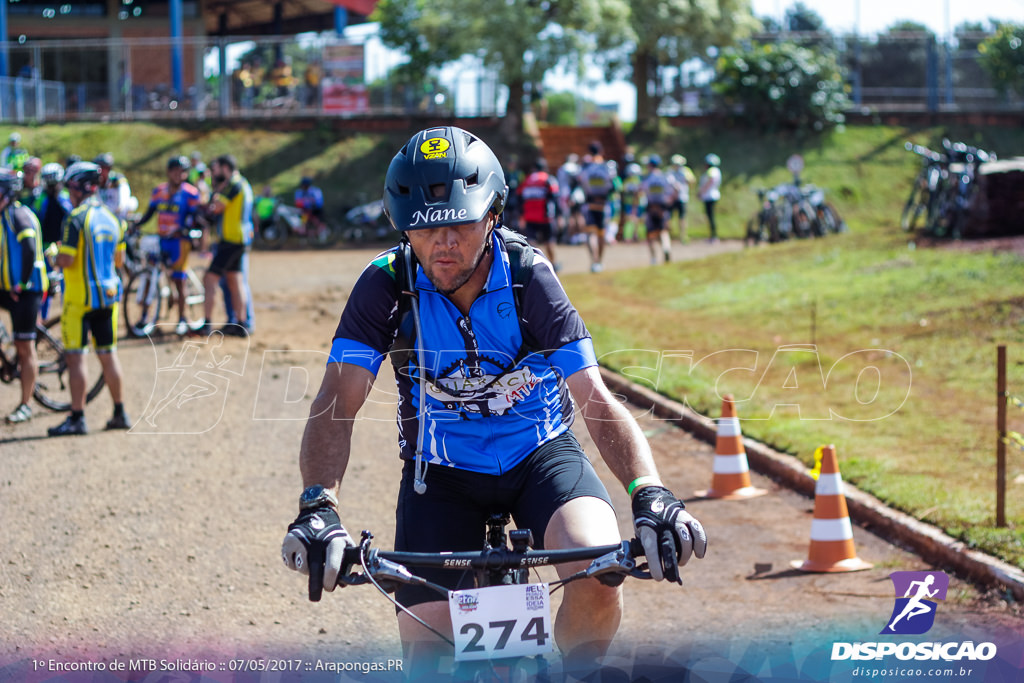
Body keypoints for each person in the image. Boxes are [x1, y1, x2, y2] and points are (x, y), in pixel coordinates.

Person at [280, 126, 706, 677]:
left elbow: (594, 396)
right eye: (425, 230)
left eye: (460, 223)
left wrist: (650, 492)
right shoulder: (386, 283)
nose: (444, 244)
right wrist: (318, 505)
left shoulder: (529, 277)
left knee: (600, 568)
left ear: (493, 215)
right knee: (429, 656)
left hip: (540, 457)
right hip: (441, 473)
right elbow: (338, 399)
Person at [48, 162, 130, 436]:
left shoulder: (75, 218)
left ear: (77, 188)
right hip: (108, 297)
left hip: (79, 299)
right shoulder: (112, 217)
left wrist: (53, 257)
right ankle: (120, 412)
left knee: (76, 358)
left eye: (69, 188)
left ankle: (77, 417)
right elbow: (119, 259)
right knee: (108, 355)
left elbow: (67, 259)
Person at [132, 155, 201, 336]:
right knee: (149, 276)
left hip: (180, 242)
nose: (179, 175)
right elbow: (149, 213)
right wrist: (136, 225)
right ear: (169, 172)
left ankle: (182, 318)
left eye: (183, 171)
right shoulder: (159, 191)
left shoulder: (191, 193)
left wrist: (185, 229)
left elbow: (195, 218)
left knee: (179, 280)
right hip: (161, 240)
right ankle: (144, 316)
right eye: (175, 171)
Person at [0, 169, 48, 424]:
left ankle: (26, 404)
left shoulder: (17, 214)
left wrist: (22, 283)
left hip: (27, 290)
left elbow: (29, 249)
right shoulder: (4, 215)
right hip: (9, 288)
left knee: (25, 346)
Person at [197, 154, 253, 336]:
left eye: (217, 168)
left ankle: (207, 323)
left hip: (230, 241)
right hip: (238, 240)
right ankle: (241, 323)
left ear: (225, 168)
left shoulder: (234, 184)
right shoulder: (242, 183)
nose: (215, 172)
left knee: (209, 279)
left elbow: (216, 207)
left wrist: (212, 196)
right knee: (234, 281)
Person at [577, 141, 616, 272]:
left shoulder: (585, 167)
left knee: (590, 234)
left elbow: (580, 181)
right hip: (604, 204)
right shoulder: (607, 166)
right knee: (601, 234)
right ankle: (599, 260)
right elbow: (613, 185)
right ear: (601, 151)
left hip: (589, 203)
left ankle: (593, 261)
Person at [516, 157, 560, 270]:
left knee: (532, 241)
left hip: (529, 216)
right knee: (549, 241)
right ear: (545, 168)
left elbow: (519, 198)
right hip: (545, 217)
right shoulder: (548, 179)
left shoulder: (526, 180)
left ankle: (535, 264)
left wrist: (521, 216)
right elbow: (555, 197)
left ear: (533, 168)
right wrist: (559, 215)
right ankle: (553, 264)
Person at [640, 155, 679, 265]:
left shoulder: (646, 178)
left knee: (650, 234)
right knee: (664, 231)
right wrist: (671, 200)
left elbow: (639, 190)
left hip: (651, 206)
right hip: (663, 206)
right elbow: (677, 188)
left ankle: (653, 258)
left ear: (649, 165)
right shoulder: (665, 177)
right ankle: (666, 248)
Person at [94, 153, 133, 224]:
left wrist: (120, 207)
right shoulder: (96, 183)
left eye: (102, 168)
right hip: (104, 219)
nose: (99, 172)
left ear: (108, 169)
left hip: (120, 218)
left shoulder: (117, 179)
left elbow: (124, 197)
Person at [668, 154, 696, 243]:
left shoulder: (686, 171)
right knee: (669, 217)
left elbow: (692, 181)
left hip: (682, 197)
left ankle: (683, 235)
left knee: (682, 218)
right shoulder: (670, 171)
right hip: (672, 198)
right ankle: (669, 235)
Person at [698, 153, 722, 242]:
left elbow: (710, 181)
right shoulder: (716, 170)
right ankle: (712, 236)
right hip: (711, 195)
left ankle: (713, 236)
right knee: (710, 217)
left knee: (710, 217)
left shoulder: (712, 171)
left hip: (709, 196)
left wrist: (702, 191)